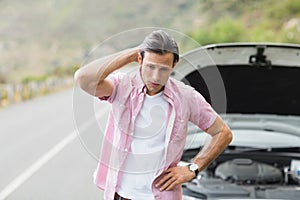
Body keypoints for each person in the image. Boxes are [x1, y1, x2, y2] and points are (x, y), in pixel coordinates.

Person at [74, 30, 232, 200]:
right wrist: (131, 54)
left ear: (174, 65)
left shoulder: (187, 97)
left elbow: (222, 133)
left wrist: (193, 168)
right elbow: (83, 78)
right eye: (150, 66)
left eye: (163, 69)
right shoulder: (122, 86)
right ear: (140, 60)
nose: (156, 77)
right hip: (121, 196)